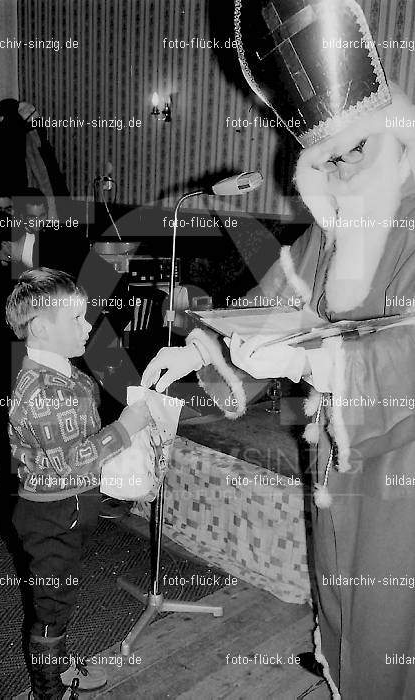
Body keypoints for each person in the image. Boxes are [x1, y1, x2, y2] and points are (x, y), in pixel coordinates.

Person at [142, 1, 415, 697]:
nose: (348, 166)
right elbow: (272, 306)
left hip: (404, 477)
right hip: (341, 458)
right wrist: (203, 350)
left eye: (361, 147)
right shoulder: (330, 228)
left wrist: (318, 360)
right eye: (331, 157)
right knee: (344, 603)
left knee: (391, 626)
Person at [6, 268, 150, 699]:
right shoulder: (37, 390)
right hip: (50, 514)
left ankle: (60, 664)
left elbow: (80, 440)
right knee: (51, 607)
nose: (88, 325)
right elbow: (70, 461)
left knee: (62, 594)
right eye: (76, 319)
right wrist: (123, 430)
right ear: (42, 326)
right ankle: (47, 690)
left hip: (71, 506)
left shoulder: (72, 376)